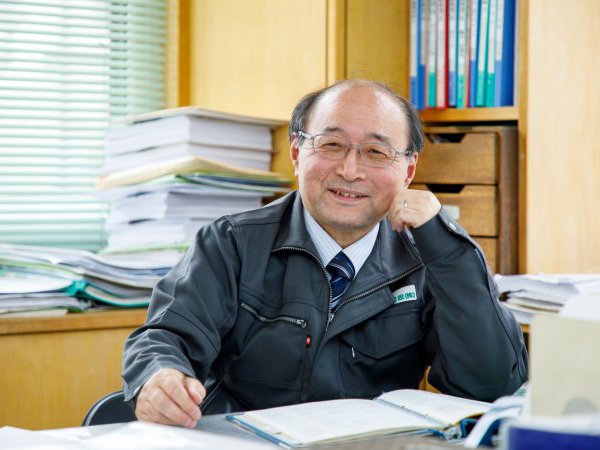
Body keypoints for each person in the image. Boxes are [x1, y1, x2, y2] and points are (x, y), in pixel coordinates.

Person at [122, 79, 528, 428]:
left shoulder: (431, 259)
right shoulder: (231, 242)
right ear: (296, 153)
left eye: (376, 152)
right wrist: (159, 378)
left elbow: (492, 387)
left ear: (408, 170)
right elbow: (165, 336)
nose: (350, 170)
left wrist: (450, 253)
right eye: (331, 145)